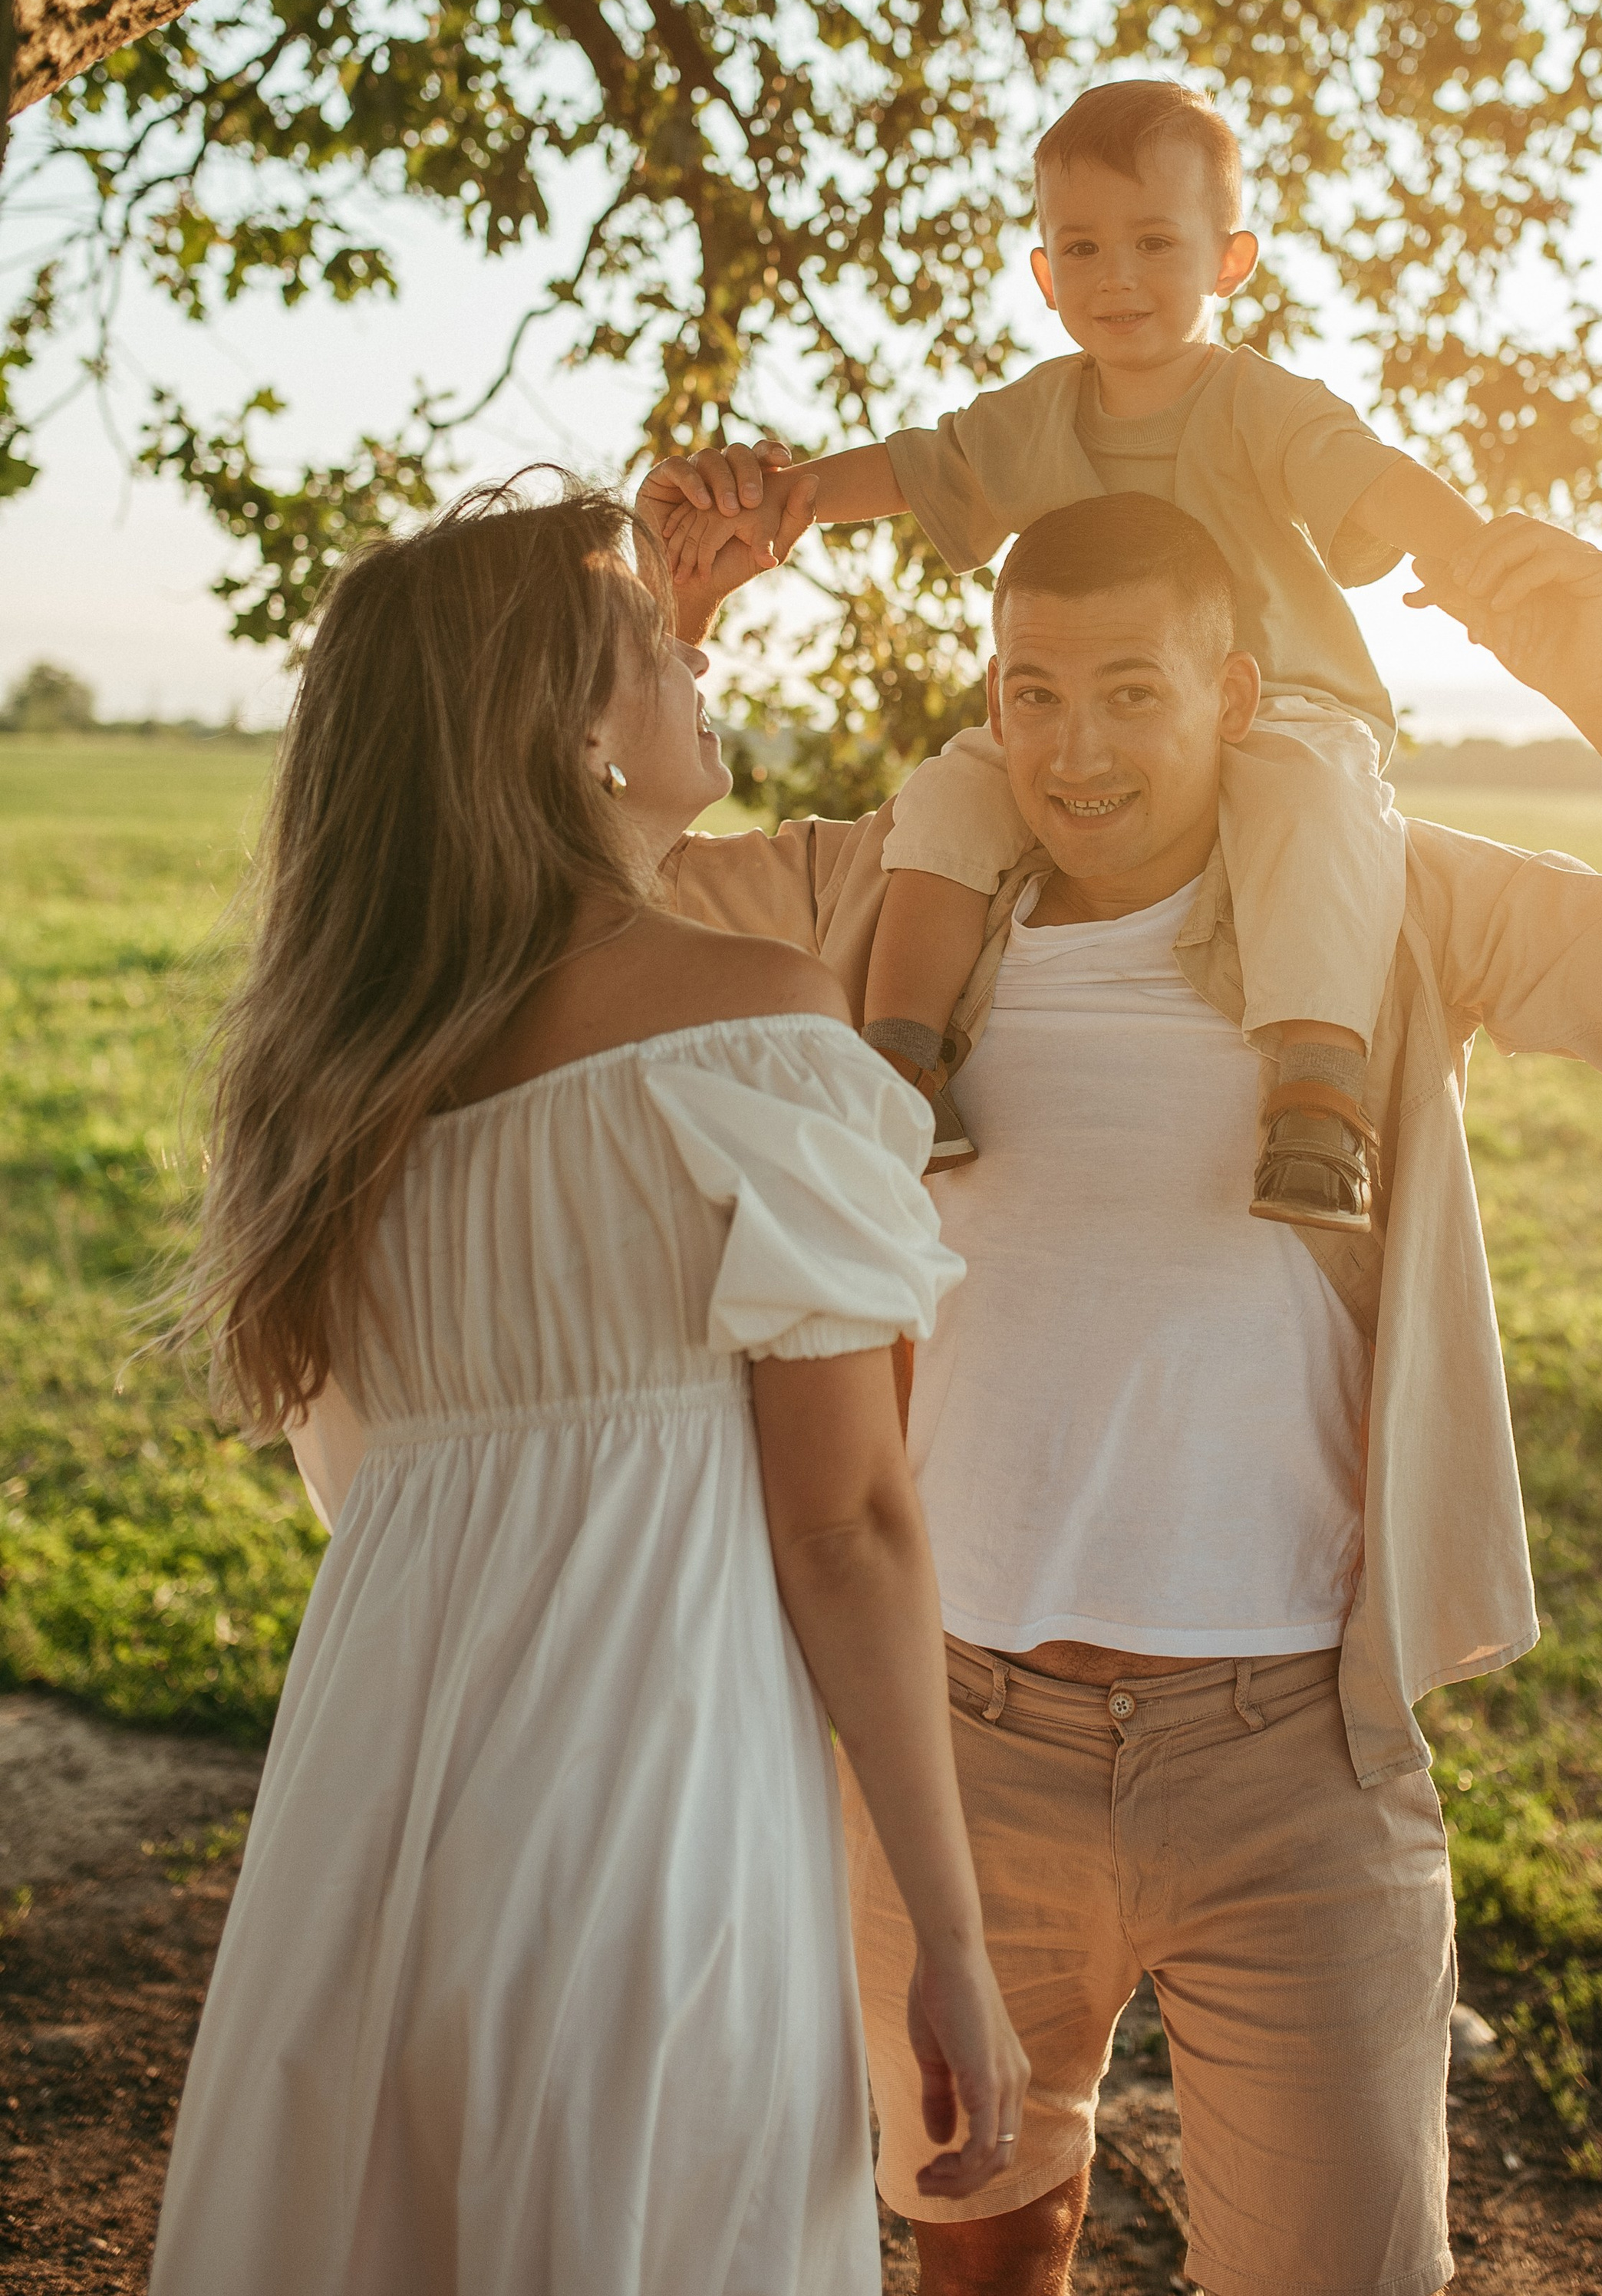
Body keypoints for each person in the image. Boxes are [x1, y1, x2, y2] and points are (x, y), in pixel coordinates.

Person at [645, 479, 1602, 2296]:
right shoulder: (881, 898)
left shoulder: (1387, 897)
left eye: (1132, 689)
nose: (1074, 750)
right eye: (1031, 693)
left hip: (1294, 1755)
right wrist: (670, 628)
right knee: (977, 2258)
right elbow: (563, 895)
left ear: (1233, 694)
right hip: (954, 1741)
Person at [147, 477, 1027, 2296]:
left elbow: (367, 1475)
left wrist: (644, 616)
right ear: (566, 730)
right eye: (660, 654)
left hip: (377, 1796)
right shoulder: (761, 1027)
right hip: (654, 1794)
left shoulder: (345, 1080)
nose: (705, 669)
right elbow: (847, 1524)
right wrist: (948, 1930)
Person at [645, 76, 1498, 1232]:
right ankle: (902, 1060)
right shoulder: (1041, 413)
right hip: (1081, 716)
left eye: (1156, 243)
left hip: (1285, 701)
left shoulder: (1261, 405)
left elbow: (1377, 482)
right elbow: (914, 468)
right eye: (1083, 248)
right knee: (949, 797)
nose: (1120, 278)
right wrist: (785, 499)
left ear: (1230, 262)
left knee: (1315, 810)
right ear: (1044, 276)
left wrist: (1483, 559)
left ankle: (1316, 1090)